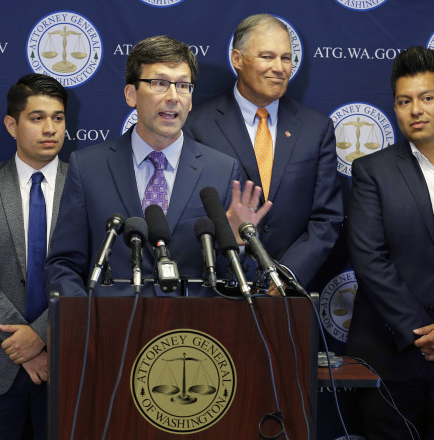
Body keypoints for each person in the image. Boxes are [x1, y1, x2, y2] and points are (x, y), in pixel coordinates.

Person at [45, 35, 270, 299]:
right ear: (131, 94)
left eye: (183, 86)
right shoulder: (88, 167)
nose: (173, 97)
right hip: (110, 331)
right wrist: (88, 321)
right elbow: (64, 265)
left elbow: (233, 280)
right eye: (160, 83)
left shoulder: (221, 171)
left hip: (193, 333)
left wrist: (237, 243)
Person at [185, 14, 343, 291]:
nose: (279, 68)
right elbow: (186, 215)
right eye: (267, 56)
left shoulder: (316, 129)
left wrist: (285, 273)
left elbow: (326, 218)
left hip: (290, 294)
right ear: (237, 59)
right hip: (218, 289)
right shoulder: (197, 125)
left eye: (285, 58)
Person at [0, 73, 68, 440]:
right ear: (11, 125)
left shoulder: (84, 184)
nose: (50, 128)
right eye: (37, 118)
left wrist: (41, 334)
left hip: (65, 361)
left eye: (58, 117)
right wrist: (25, 345)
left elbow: (89, 274)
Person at [346, 46, 434, 439]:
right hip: (392, 357)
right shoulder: (372, 171)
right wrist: (425, 333)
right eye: (405, 101)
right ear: (395, 108)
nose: (416, 109)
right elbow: (369, 259)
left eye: (427, 98)